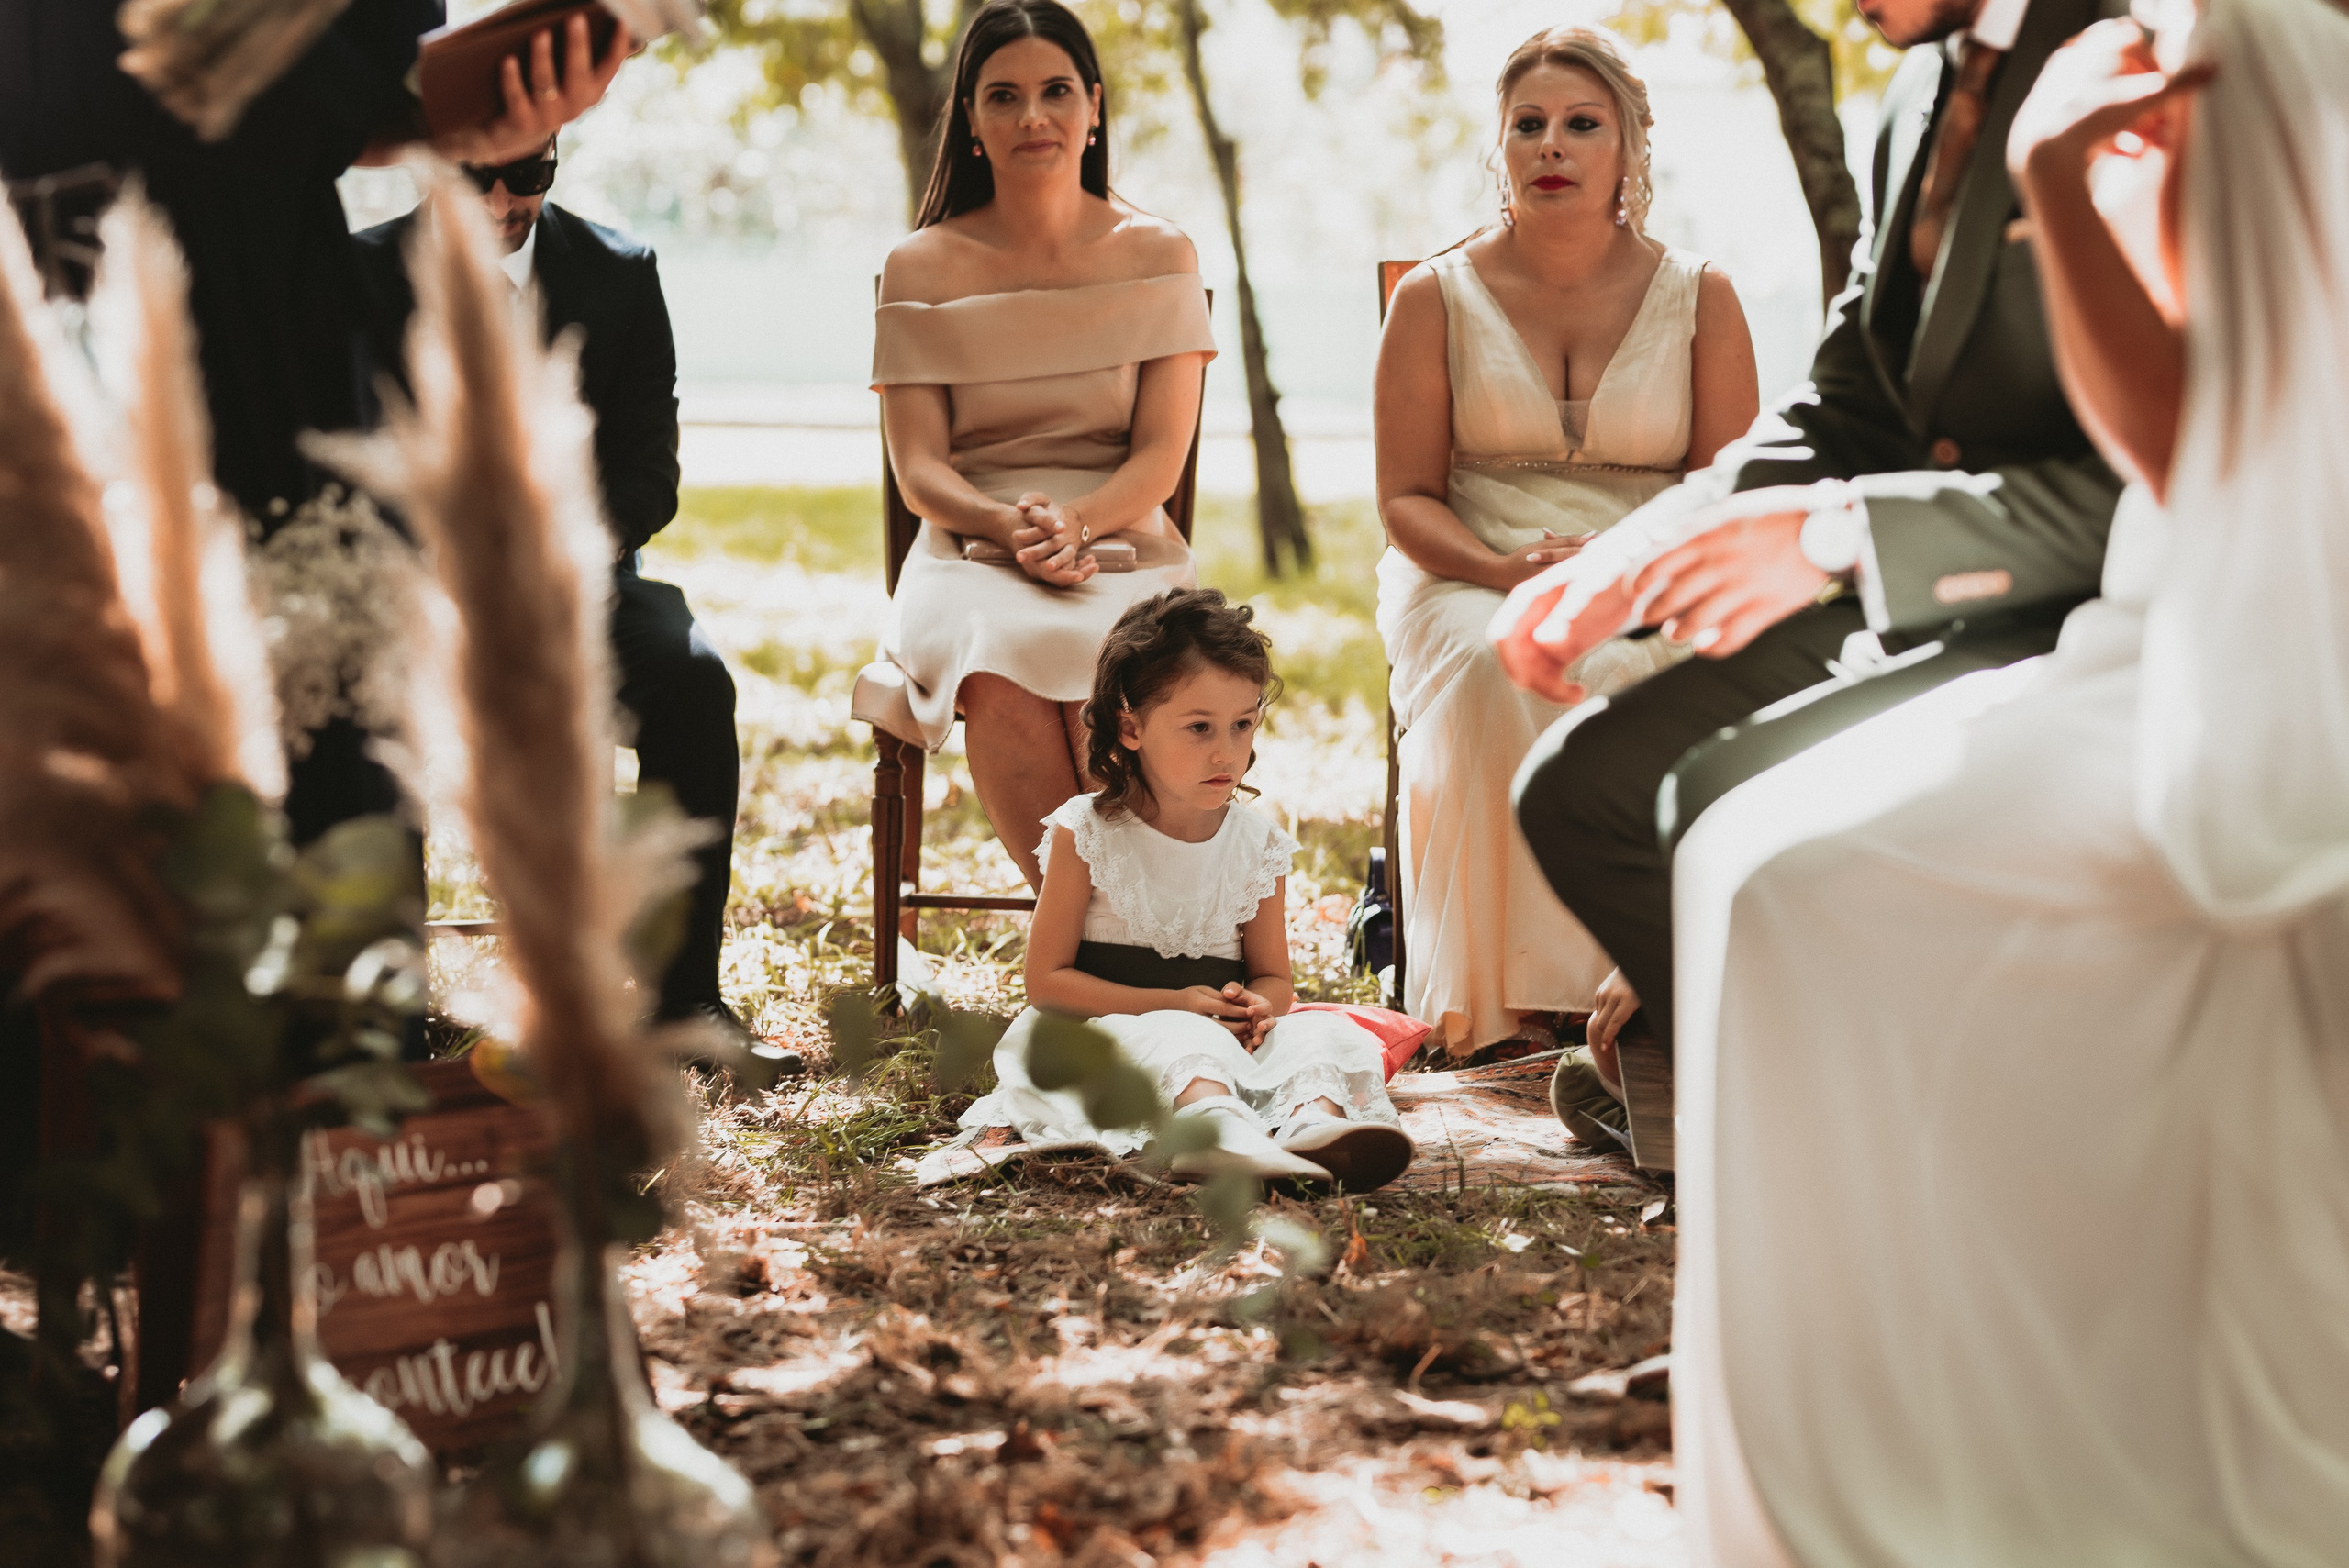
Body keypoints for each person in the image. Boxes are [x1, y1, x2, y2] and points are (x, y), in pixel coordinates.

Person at [1667, 0, 2349, 1557]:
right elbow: (1848, 392)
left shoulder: (2226, 41)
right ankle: (1866, 1408)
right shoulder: (2165, 38)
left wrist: (2052, 168)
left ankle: (1910, 1464)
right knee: (1730, 848)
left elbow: (2191, 441)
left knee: (1777, 877)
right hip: (2170, 610)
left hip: (2252, 638)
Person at [1490, 0, 2127, 1126]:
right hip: (1912, 609)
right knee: (1580, 793)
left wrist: (1838, 535)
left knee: (1706, 800)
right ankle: (1778, 1142)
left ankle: (1869, 1151)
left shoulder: (2142, 63)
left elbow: (2182, 474)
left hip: (2101, 614)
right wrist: (1630, 557)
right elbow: (1847, 401)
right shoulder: (1913, 93)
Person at [0, 1, 631, 846]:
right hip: (31, 309)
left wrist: (486, 115)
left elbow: (366, 101)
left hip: (264, 330)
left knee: (314, 784)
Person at [1372, 27, 1756, 1062]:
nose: (1553, 145)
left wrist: (1637, 577)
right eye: (1528, 126)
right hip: (1467, 558)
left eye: (1581, 125)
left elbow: (1725, 491)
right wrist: (1500, 573)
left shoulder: (1702, 295)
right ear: (1497, 150)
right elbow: (1403, 497)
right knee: (1504, 661)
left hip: (1649, 565)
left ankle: (1634, 990)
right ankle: (1508, 1007)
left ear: (1628, 149)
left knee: (1639, 665)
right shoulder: (1431, 297)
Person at [351, 139, 758, 1042]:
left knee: (694, 678)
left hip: (582, 586)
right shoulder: (364, 273)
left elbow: (649, 473)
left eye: (527, 174)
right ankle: (388, 1010)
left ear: (558, 157)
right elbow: (352, 465)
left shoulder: (621, 271)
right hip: (418, 595)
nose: (502, 200)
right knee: (362, 692)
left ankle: (683, 997)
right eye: (474, 178)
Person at [866, 0, 1214, 891]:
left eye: (1055, 91)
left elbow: (1159, 458)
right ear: (971, 122)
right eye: (1003, 96)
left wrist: (1079, 526)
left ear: (1093, 107)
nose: (1032, 116)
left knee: (1122, 660)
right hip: (964, 544)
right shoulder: (919, 266)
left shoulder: (1162, 252)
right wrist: (1007, 524)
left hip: (1124, 532)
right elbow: (919, 469)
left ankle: (1132, 939)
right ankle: (1098, 940)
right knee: (1000, 647)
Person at [956, 589, 1415, 1190]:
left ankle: (1315, 1126)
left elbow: (1275, 977)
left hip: (1221, 1034)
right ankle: (1214, 1130)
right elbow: (1046, 983)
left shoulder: (1258, 845)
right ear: (1130, 728)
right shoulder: (1086, 832)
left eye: (1242, 724)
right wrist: (1176, 1005)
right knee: (1181, 1037)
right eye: (1199, 727)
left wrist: (1260, 1006)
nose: (1226, 750)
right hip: (1113, 1033)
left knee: (1322, 1030)